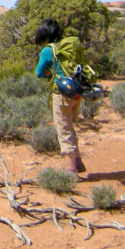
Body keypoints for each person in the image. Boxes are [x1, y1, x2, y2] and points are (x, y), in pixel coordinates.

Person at [33, 18, 87, 176]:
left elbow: (38, 73)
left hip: (61, 94)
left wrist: (48, 74)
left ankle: (70, 171)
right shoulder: (67, 47)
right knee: (69, 126)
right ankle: (77, 161)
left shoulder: (48, 50)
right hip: (76, 92)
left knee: (63, 131)